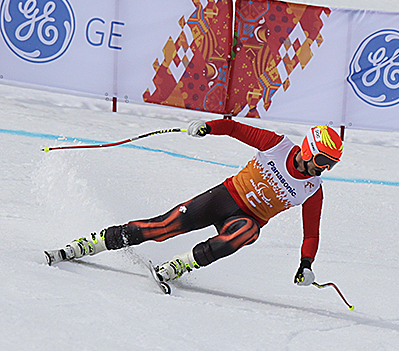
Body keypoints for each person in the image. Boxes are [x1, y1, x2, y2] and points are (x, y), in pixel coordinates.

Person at [48, 119, 342, 287]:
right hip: (224, 198)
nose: (323, 169)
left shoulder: (312, 189)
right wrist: (208, 127)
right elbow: (236, 128)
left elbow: (311, 233)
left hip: (243, 219)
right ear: (307, 149)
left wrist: (306, 264)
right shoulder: (277, 145)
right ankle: (91, 243)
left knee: (247, 232)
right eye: (322, 160)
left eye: (330, 165)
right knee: (163, 228)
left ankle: (178, 266)